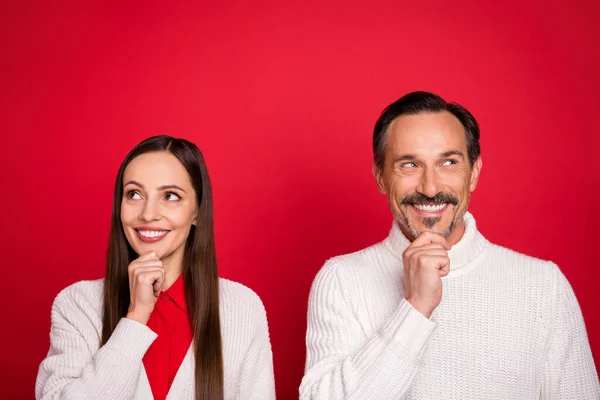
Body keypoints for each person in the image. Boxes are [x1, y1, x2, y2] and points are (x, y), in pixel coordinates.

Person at [300, 91, 600, 399]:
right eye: (409, 165)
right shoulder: (341, 280)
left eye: (448, 162)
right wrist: (415, 308)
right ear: (381, 177)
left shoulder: (543, 286)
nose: (430, 188)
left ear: (474, 174)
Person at [36, 135, 275, 400]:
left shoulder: (241, 308)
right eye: (134, 194)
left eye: (170, 196)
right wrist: (136, 317)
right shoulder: (78, 305)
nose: (148, 214)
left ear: (196, 211)